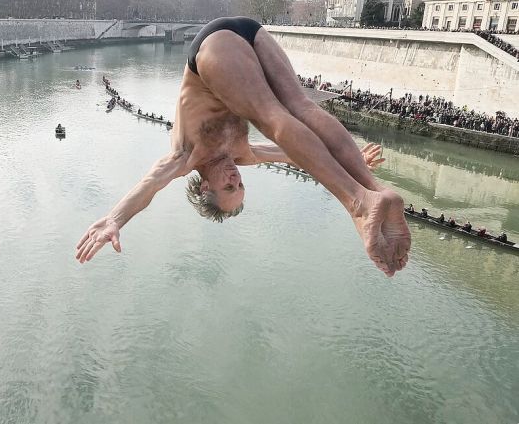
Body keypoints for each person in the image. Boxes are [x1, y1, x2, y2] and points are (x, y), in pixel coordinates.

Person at [76, 16, 410, 277]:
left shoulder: (185, 156)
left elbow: (149, 185)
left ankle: (358, 203)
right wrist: (355, 161)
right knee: (301, 107)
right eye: (240, 185)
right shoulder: (242, 155)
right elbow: (297, 156)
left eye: (228, 186)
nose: (236, 178)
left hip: (212, 48)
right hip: (252, 32)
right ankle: (375, 191)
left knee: (273, 117)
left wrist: (115, 219)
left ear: (205, 187)